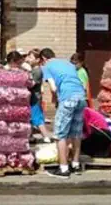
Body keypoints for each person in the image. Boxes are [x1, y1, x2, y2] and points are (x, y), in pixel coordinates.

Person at [39, 48, 87, 179]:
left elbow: (53, 88)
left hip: (67, 98)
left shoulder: (46, 66)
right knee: (76, 133)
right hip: (81, 97)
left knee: (60, 134)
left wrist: (56, 98)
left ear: (43, 58)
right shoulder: (68, 64)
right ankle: (76, 164)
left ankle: (63, 168)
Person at [26, 49, 53, 143]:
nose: (27, 59)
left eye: (30, 57)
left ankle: (46, 137)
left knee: (37, 119)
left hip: (35, 99)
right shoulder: (33, 70)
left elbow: (31, 84)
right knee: (30, 118)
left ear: (38, 59)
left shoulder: (37, 71)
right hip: (31, 99)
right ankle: (30, 137)